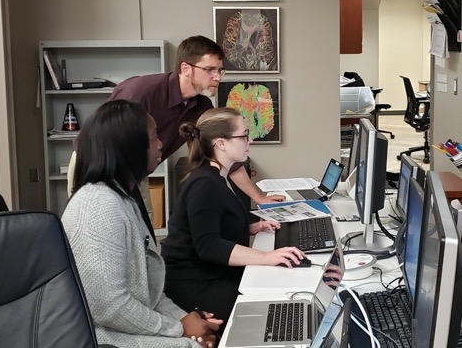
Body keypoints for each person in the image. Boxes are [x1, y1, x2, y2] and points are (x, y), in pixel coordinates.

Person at [67, 35, 285, 217]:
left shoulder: (202, 106)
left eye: (220, 70)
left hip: (136, 170)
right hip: (95, 163)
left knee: (144, 227)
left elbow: (220, 153)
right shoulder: (142, 93)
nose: (217, 77)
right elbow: (107, 140)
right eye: (210, 70)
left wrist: (259, 198)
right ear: (186, 68)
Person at [62, 100, 222, 348]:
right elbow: (109, 307)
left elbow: (151, 293)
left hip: (128, 326)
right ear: (128, 147)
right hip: (101, 338)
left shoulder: (122, 198)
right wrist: (180, 329)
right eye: (153, 137)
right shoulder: (98, 205)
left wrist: (186, 320)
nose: (160, 144)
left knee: (205, 336)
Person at [161, 107, 305, 327]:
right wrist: (266, 257)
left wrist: (250, 228)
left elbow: (212, 225)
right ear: (221, 143)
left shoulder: (218, 174)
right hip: (196, 282)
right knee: (270, 306)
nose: (250, 141)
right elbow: (208, 245)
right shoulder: (205, 184)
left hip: (210, 272)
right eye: (244, 135)